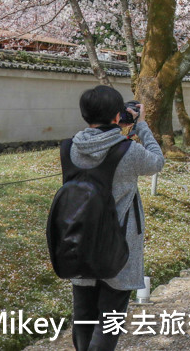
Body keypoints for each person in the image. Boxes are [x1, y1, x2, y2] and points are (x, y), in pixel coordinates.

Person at [70, 85, 165, 351]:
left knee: (83, 314)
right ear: (117, 115)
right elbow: (157, 162)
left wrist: (119, 127)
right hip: (119, 243)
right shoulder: (128, 151)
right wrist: (140, 125)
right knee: (110, 316)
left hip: (79, 239)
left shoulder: (71, 149)